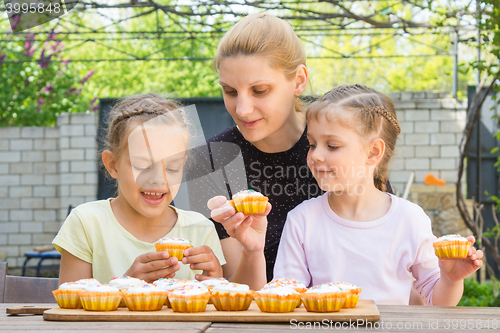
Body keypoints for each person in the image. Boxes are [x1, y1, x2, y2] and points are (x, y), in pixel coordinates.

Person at [202, 13, 392, 290]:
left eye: (260, 90)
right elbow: (234, 291)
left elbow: (393, 258)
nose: (241, 109)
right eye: (230, 91)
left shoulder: (345, 145)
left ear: (299, 80)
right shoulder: (208, 160)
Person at [272, 85, 484, 305]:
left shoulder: (410, 220)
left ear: (373, 152)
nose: (315, 155)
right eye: (312, 144)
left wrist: (450, 280)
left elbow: (436, 302)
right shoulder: (302, 220)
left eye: (332, 146)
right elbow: (287, 296)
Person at [53, 94, 225, 285]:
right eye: (142, 166)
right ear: (113, 164)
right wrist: (125, 286)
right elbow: (69, 310)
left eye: (172, 168)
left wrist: (216, 281)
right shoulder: (87, 223)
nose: (158, 179)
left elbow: (214, 310)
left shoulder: (200, 229)